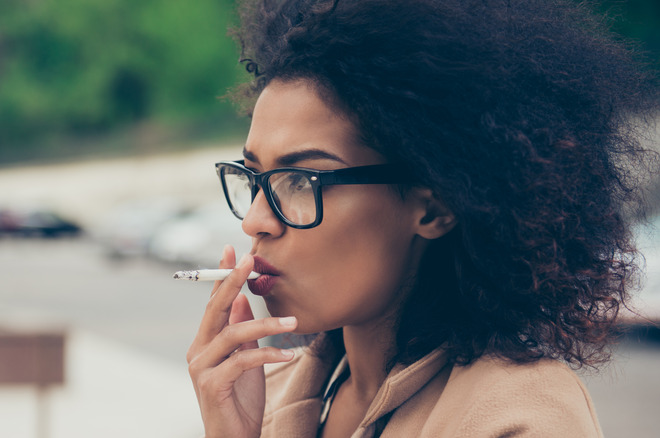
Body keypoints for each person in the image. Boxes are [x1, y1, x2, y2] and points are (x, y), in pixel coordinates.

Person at [185, 0, 659, 437]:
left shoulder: (520, 414)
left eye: (300, 181)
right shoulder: (258, 394)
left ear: (434, 207)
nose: (254, 221)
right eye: (254, 177)